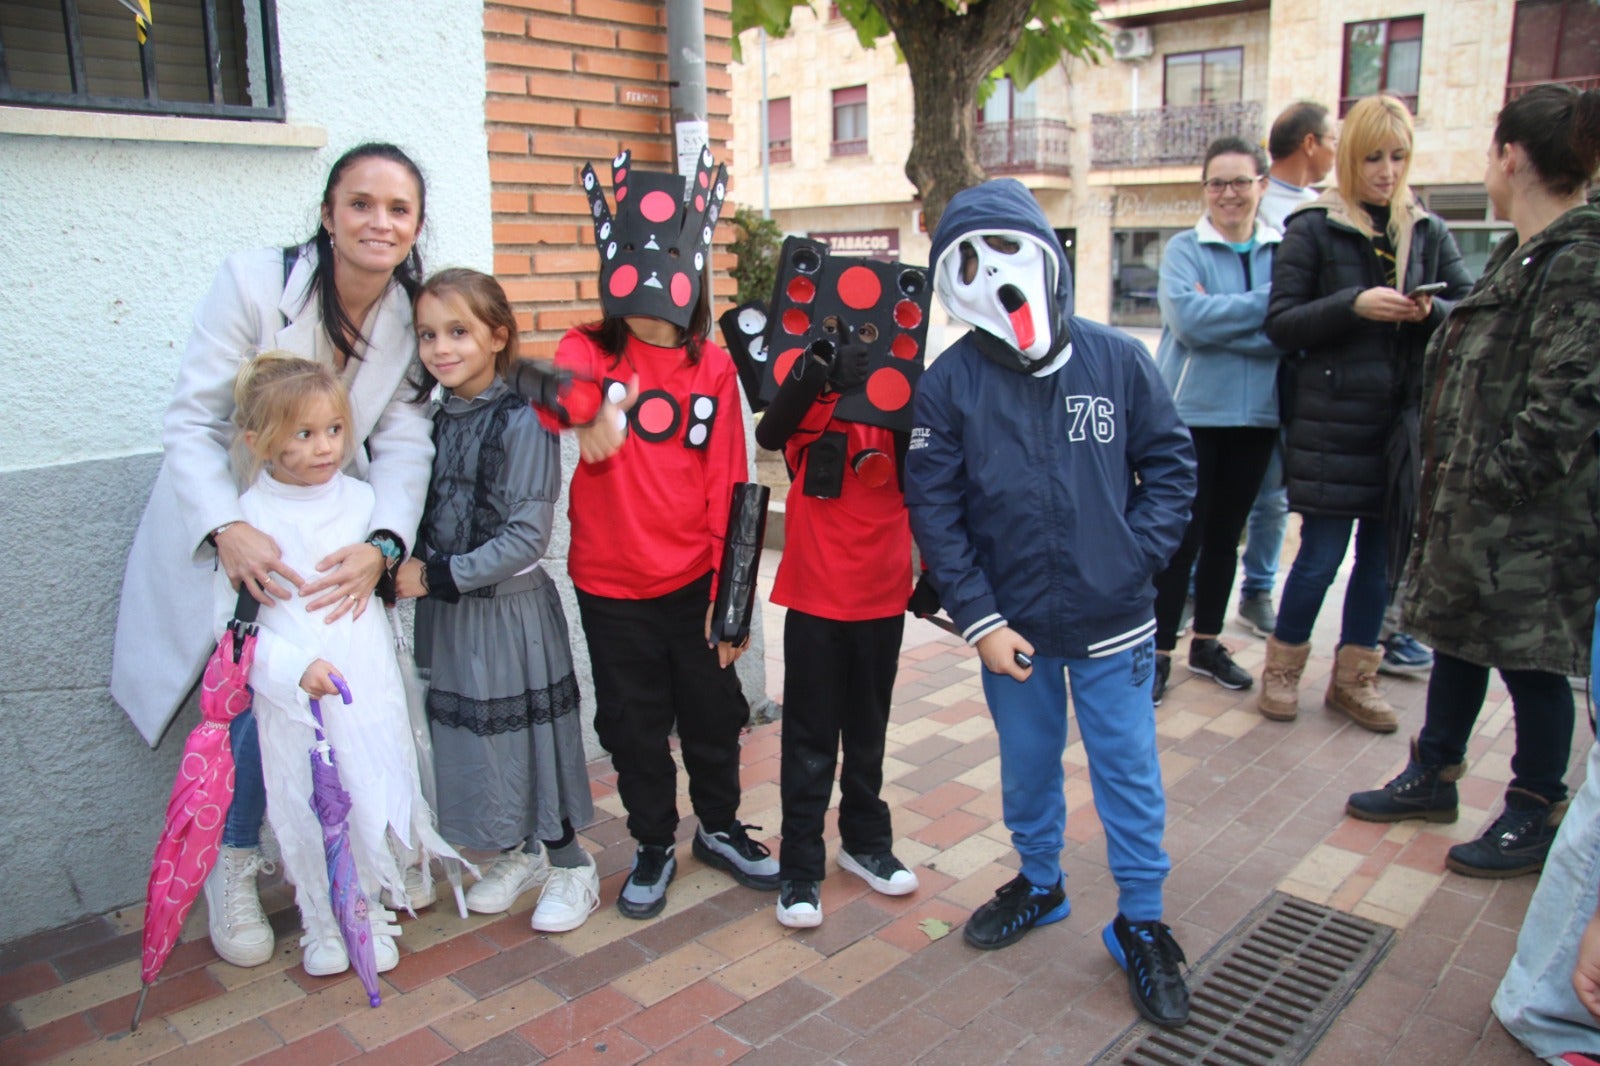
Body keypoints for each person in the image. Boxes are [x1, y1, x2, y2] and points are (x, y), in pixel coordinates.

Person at [111, 144, 435, 968]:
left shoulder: (407, 314)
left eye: (398, 209)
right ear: (327, 215)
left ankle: (365, 855)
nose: (378, 221)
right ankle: (232, 864)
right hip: (240, 522)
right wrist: (226, 526)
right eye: (359, 203)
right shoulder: (253, 283)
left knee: (335, 699)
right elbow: (191, 421)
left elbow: (403, 439)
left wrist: (382, 543)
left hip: (330, 529)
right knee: (247, 700)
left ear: (416, 226)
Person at [905, 178, 1197, 1028]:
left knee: (1127, 775)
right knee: (1028, 765)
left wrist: (1133, 560)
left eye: (1007, 251)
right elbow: (938, 513)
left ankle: (1140, 920)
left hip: (1116, 629)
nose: (995, 277)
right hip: (1015, 636)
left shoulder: (1118, 361)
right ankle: (1042, 882)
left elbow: (1171, 468)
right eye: (969, 261)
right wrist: (982, 619)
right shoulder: (949, 387)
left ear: (1047, 256)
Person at [1347, 84, 1600, 879]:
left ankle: (1534, 807)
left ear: (1511, 157)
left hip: (1530, 520)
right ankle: (1435, 772)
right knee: (1456, 636)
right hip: (1476, 513)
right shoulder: (1526, 251)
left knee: (1531, 661)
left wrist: (1491, 483)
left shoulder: (1581, 260)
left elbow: (1569, 399)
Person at [554, 146, 778, 920]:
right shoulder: (588, 351)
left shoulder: (711, 366)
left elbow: (730, 484)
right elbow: (550, 391)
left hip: (693, 583)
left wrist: (733, 601)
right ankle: (653, 841)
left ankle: (717, 827)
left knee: (713, 714)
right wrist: (585, 411)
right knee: (632, 724)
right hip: (610, 587)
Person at [223, 354, 458, 978]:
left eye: (333, 430)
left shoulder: (362, 503)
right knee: (304, 799)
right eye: (303, 434)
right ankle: (321, 916)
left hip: (366, 685)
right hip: (296, 695)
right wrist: (291, 667)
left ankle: (372, 898)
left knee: (369, 783)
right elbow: (233, 626)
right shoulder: (246, 520)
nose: (325, 447)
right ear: (258, 441)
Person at [1258, 95, 1472, 731]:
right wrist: (1353, 303)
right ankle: (1282, 670)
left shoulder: (1426, 229)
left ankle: (1355, 680)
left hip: (1402, 427)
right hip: (1329, 424)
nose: (1386, 170)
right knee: (1320, 557)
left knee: (1382, 563)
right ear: (1350, 157)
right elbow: (1281, 323)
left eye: (1398, 157)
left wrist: (1433, 312)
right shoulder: (1313, 226)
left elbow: (1470, 308)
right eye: (1374, 156)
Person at [392, 269, 598, 931]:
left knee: (532, 739)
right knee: (480, 742)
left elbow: (524, 537)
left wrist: (436, 576)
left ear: (497, 336)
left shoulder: (523, 417)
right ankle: (522, 850)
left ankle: (572, 864)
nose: (441, 348)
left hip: (507, 611)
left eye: (458, 332)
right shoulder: (431, 414)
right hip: (450, 616)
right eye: (428, 334)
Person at [754, 280, 921, 929]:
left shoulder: (907, 410)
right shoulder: (814, 404)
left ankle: (865, 842)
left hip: (882, 596)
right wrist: (822, 379)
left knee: (869, 732)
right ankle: (800, 866)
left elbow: (929, 489)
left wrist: (929, 573)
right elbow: (775, 430)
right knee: (809, 738)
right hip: (819, 599)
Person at [1149, 136, 1282, 703]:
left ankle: (1207, 642)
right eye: (1217, 183)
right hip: (1192, 416)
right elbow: (1189, 322)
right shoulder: (1185, 248)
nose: (1228, 194)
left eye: (1240, 182)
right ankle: (1156, 652)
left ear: (1263, 186)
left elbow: (1293, 323)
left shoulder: (1284, 250)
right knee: (1181, 538)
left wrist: (1235, 315)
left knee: (1227, 538)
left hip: (1258, 417)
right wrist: (1267, 307)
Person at [1234, 101, 1338, 640]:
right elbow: (1202, 312)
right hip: (1241, 387)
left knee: (1272, 500)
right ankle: (1191, 597)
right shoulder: (1263, 207)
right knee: (1218, 502)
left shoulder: (1326, 210)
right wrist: (1268, 308)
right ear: (1310, 144)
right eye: (1334, 141)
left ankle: (1256, 592)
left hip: (1298, 383)